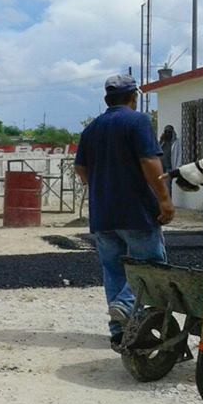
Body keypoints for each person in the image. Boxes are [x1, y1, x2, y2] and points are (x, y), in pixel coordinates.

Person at [74, 74, 175, 352]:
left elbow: (80, 168)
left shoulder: (92, 128)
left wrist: (101, 187)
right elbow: (149, 161)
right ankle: (126, 304)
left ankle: (119, 331)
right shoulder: (137, 121)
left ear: (107, 99)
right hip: (136, 212)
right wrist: (164, 200)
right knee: (152, 266)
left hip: (103, 214)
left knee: (113, 270)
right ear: (134, 98)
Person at [159, 125, 182, 194]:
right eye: (166, 132)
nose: (167, 133)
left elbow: (179, 155)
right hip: (161, 167)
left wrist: (177, 167)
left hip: (169, 167)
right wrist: (161, 140)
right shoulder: (162, 142)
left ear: (172, 132)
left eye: (169, 132)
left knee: (167, 186)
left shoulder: (176, 143)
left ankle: (168, 199)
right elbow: (156, 150)